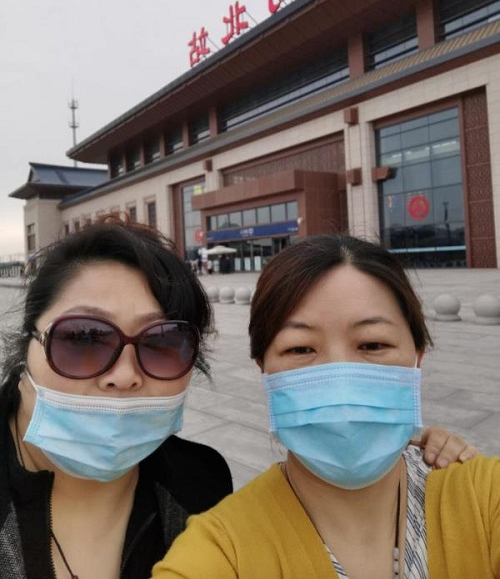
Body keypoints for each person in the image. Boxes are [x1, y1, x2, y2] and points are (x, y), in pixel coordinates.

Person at [152, 234, 499, 579]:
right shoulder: (224, 549)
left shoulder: (483, 495)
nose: (340, 378)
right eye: (301, 349)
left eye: (372, 344)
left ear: (416, 357)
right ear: (264, 368)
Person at [0, 217, 233, 579]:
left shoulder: (204, 484)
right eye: (84, 338)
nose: (124, 376)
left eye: (162, 341)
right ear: (27, 346)